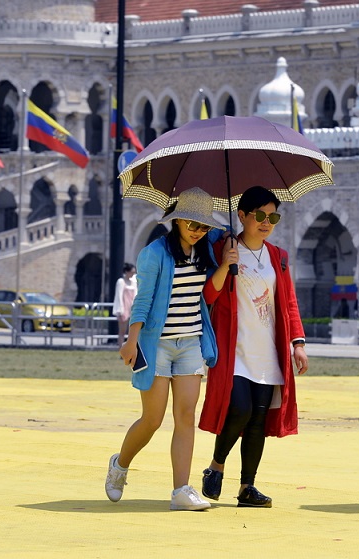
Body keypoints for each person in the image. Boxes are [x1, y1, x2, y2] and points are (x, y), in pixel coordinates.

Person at [105, 187, 225, 511]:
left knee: (186, 416)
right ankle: (120, 464)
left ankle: (181, 491)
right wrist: (131, 340)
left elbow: (210, 293)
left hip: (190, 343)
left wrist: (227, 261)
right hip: (155, 344)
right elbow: (142, 302)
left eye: (204, 226)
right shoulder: (155, 253)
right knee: (152, 420)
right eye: (193, 224)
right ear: (177, 221)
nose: (198, 231)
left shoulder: (206, 253)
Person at [200, 185, 308, 508]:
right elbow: (209, 296)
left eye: (272, 216)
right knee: (240, 408)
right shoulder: (224, 249)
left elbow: (288, 302)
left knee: (258, 419)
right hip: (235, 350)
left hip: (267, 352)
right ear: (243, 215)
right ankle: (216, 465)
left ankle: (248, 487)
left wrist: (298, 343)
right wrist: (225, 262)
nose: (266, 222)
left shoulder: (278, 257)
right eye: (259, 215)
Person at [113, 263, 137, 347]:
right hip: (124, 308)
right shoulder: (121, 281)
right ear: (127, 272)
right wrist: (120, 310)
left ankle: (131, 350)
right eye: (131, 272)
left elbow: (135, 294)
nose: (133, 274)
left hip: (132, 308)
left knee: (132, 332)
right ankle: (121, 349)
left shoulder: (133, 282)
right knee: (122, 331)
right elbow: (119, 296)